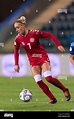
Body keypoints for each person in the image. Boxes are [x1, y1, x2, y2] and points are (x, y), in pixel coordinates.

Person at [13, 16, 71, 104]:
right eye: (15, 28)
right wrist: (16, 64)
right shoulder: (17, 39)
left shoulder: (34, 33)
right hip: (33, 60)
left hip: (42, 57)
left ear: (23, 25)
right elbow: (16, 51)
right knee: (38, 80)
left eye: (18, 27)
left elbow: (49, 35)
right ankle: (52, 98)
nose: (17, 30)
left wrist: (58, 45)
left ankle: (65, 89)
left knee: (48, 79)